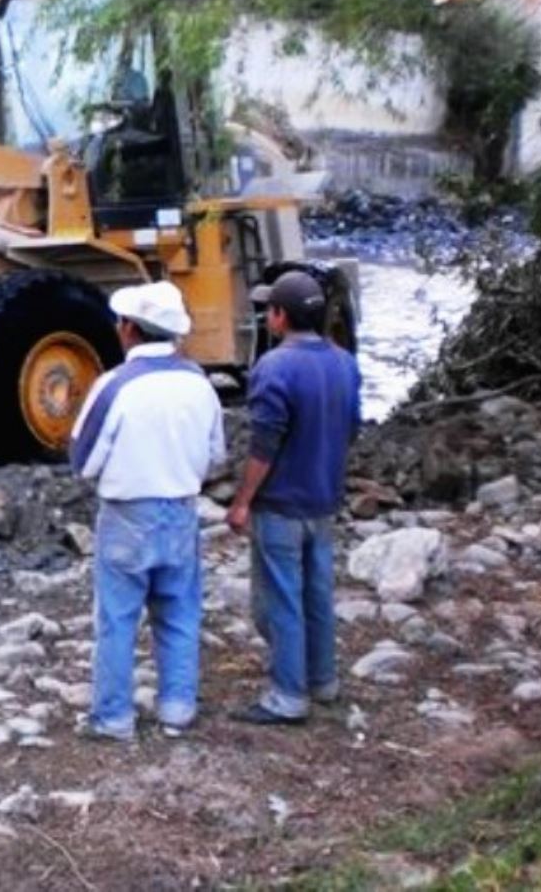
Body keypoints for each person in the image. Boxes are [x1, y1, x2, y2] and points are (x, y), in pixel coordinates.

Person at [70, 281, 226, 741]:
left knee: (117, 619)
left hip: (126, 513)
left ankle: (114, 717)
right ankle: (178, 706)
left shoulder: (114, 386)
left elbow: (84, 459)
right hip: (181, 508)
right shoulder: (200, 383)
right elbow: (216, 455)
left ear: (130, 329)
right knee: (179, 610)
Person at [226, 270, 362, 726]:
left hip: (281, 502)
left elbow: (265, 445)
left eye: (270, 310)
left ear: (280, 316)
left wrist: (243, 499)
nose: (267, 317)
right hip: (323, 498)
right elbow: (351, 427)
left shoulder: (274, 367)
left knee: (278, 600)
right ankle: (323, 680)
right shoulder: (345, 362)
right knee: (318, 592)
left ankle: (287, 694)